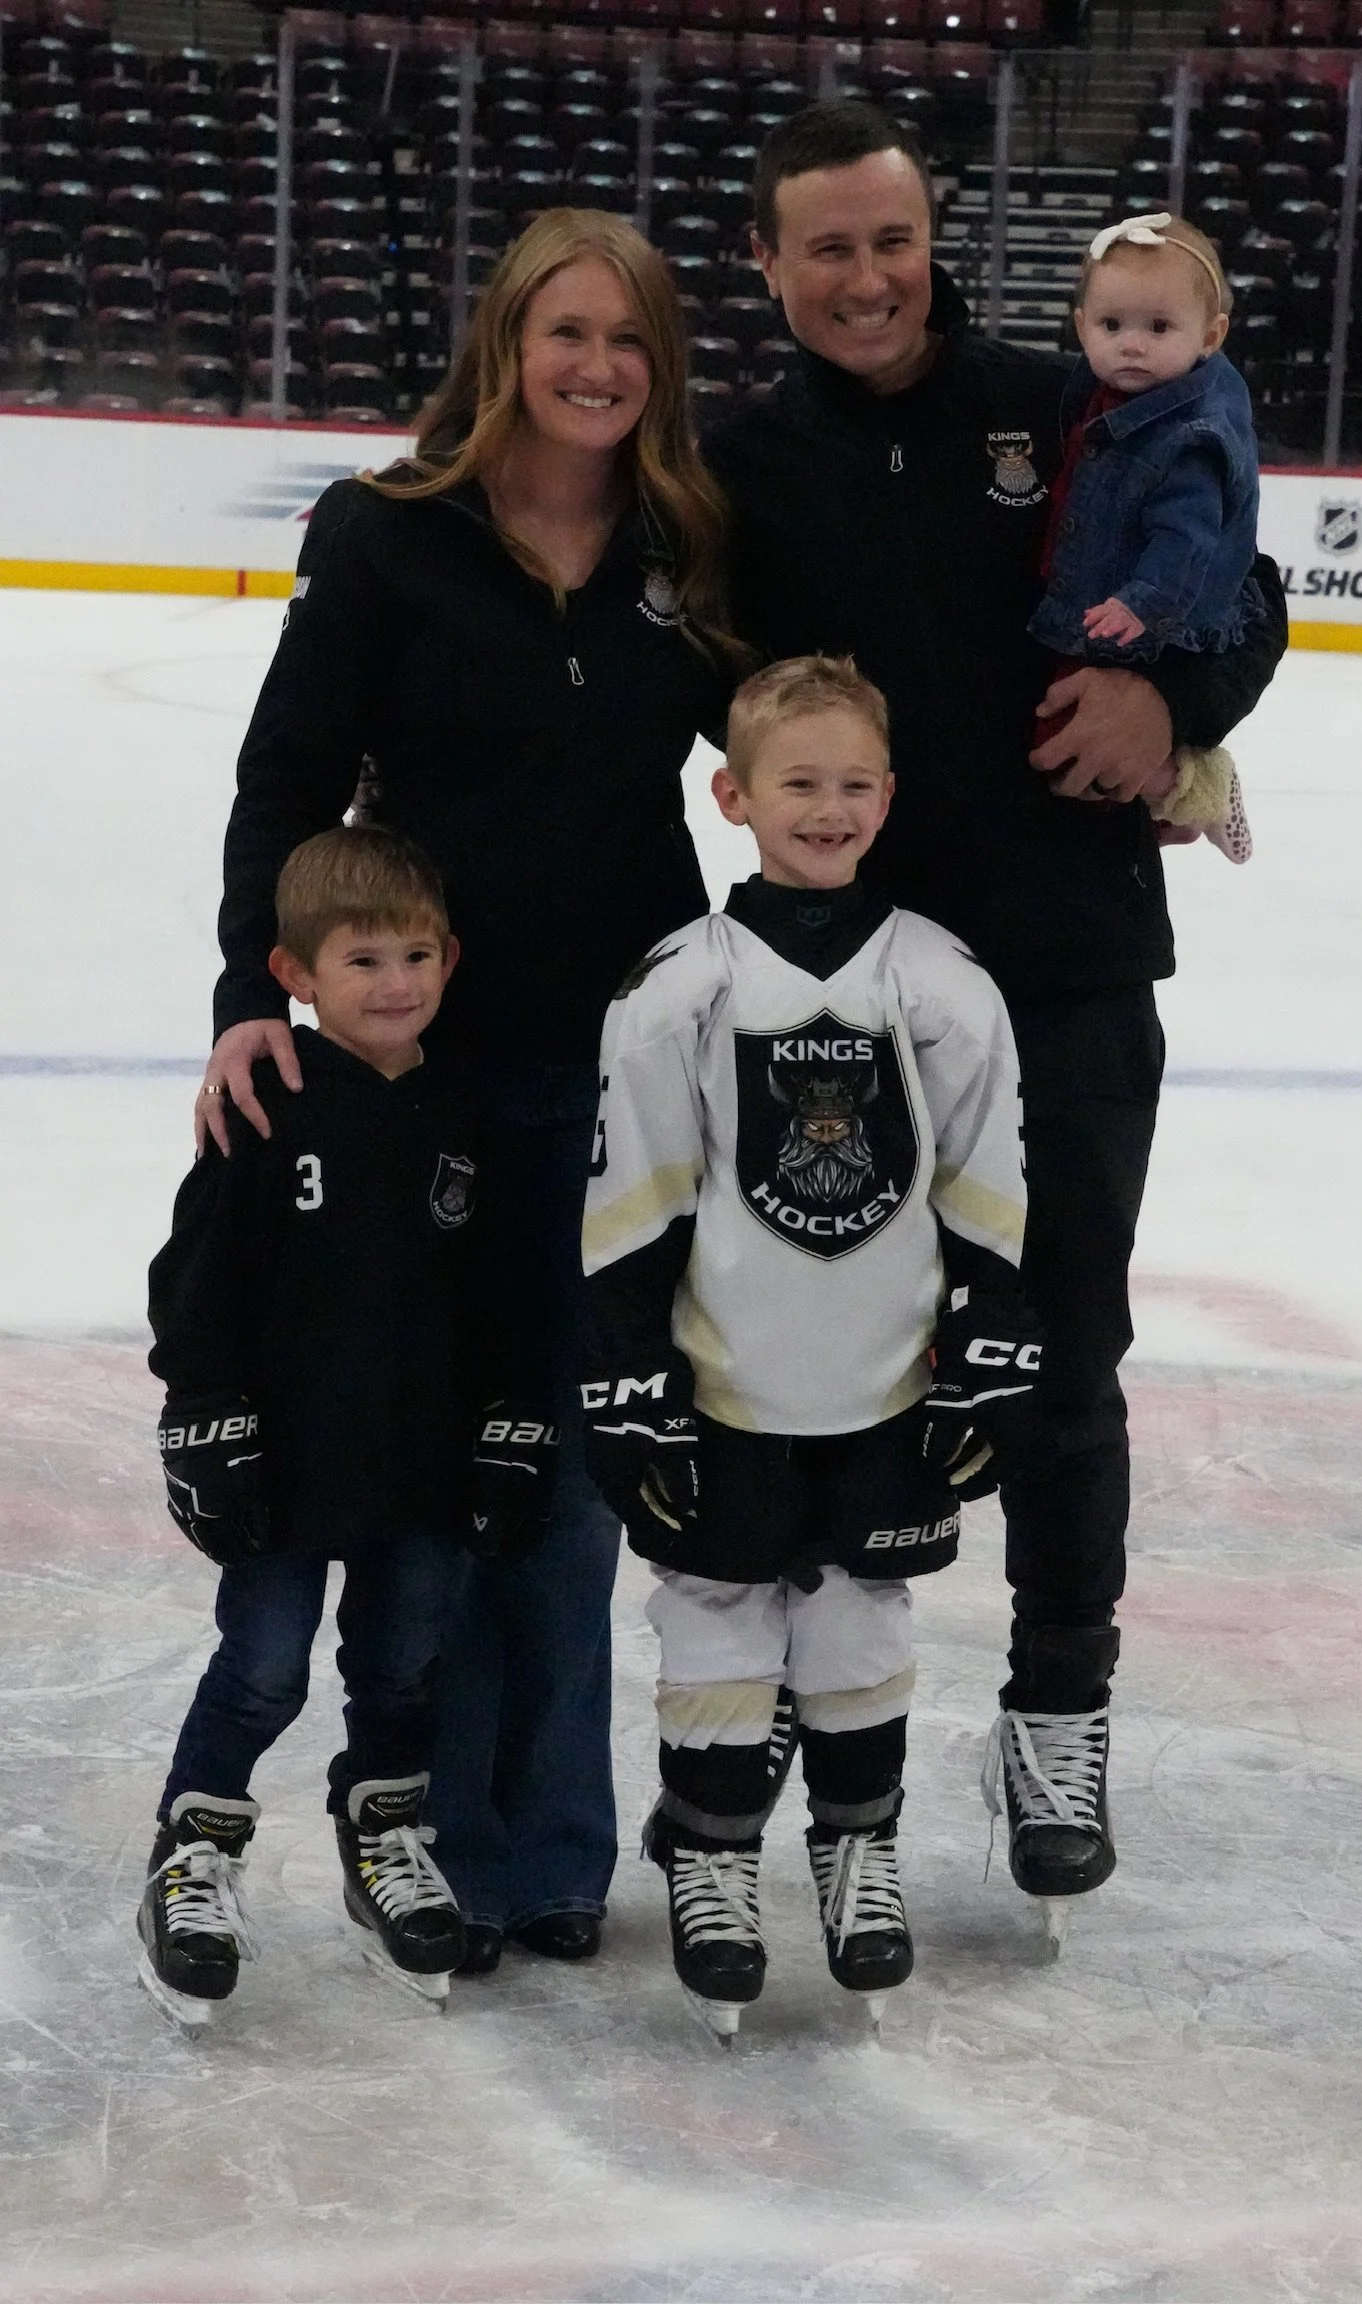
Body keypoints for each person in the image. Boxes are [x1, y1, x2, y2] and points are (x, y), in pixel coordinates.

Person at [704, 103, 1289, 1930]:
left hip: (1065, 969)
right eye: (828, 248)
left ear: (929, 235)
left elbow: (1245, 586)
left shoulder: (1067, 401)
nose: (868, 277)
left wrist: (1177, 709)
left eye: (893, 239)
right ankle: (813, 1692)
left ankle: (1055, 1704)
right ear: (769, 265)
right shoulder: (735, 463)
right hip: (836, 991)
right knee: (806, 1351)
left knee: (1061, 1346)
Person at [191, 210, 737, 1975]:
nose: (595, 368)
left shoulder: (686, 545)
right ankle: (422, 1821)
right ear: (500, 344)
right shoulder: (386, 538)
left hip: (624, 1073)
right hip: (422, 1075)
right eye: (564, 333)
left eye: (629, 341)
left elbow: (815, 717)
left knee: (567, 1477)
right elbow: (283, 782)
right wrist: (246, 996)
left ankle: (542, 1852)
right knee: (445, 1465)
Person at [580, 656, 1037, 2039]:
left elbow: (987, 1183)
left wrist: (993, 1344)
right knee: (713, 1615)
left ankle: (857, 1850)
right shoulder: (677, 990)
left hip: (884, 1389)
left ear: (889, 798)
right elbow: (633, 1196)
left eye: (852, 785)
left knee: (858, 1619)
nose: (827, 808)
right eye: (799, 783)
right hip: (728, 1387)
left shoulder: (945, 983)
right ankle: (715, 1865)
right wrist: (630, 1377)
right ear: (733, 794)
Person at [139, 828, 557, 2027]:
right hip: (285, 1467)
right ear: (294, 974)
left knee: (401, 1667)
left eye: (415, 955)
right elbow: (196, 1281)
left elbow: (511, 1302)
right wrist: (204, 1416)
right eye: (362, 959)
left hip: (422, 1470)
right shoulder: (265, 1108)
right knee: (263, 1668)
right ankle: (195, 1854)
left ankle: (382, 1841)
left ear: (452, 957)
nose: (395, 983)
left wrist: (513, 1424)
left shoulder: (469, 1121)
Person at [1030, 210, 1257, 865]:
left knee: (1068, 740)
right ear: (1081, 328)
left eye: (1159, 328)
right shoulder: (1099, 396)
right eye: (1111, 326)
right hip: (1105, 610)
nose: (1132, 345)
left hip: (1135, 620)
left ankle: (1196, 786)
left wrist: (1143, 602)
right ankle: (1167, 800)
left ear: (1210, 335)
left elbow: (1186, 538)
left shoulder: (1189, 440)